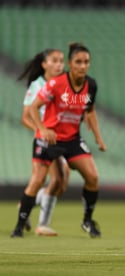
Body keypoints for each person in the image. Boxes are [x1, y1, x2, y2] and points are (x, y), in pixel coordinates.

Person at [11, 43, 106, 238]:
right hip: (48, 138)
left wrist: (98, 137)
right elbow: (29, 111)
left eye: (86, 62)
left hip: (71, 138)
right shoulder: (48, 84)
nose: (82, 66)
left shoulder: (90, 85)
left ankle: (85, 220)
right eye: (77, 62)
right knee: (44, 180)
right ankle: (23, 224)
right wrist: (42, 129)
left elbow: (89, 109)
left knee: (81, 179)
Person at [18, 48, 70, 236]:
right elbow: (25, 117)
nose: (59, 65)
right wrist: (42, 131)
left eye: (61, 61)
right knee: (54, 179)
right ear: (44, 64)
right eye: (54, 61)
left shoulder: (63, 84)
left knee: (61, 184)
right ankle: (42, 225)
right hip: (45, 140)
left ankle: (26, 203)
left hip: (61, 138)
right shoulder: (37, 85)